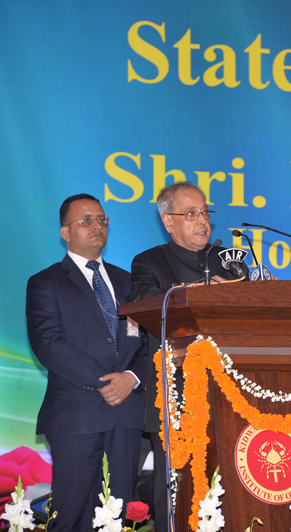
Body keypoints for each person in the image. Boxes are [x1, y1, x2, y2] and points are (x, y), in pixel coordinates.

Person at [26, 194, 147, 531]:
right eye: (86, 220)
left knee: (120, 515)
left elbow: (147, 342)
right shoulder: (45, 282)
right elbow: (49, 344)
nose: (97, 226)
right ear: (65, 232)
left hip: (125, 416)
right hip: (76, 415)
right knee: (72, 515)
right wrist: (107, 382)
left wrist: (131, 378)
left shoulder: (130, 283)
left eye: (102, 220)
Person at [128, 182, 238, 531]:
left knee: (229, 491)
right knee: (176, 494)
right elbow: (149, 308)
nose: (202, 220)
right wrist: (203, 292)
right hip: (176, 396)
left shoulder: (228, 261)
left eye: (205, 212)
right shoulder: (148, 262)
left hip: (230, 393)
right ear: (168, 221)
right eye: (191, 214)